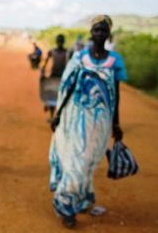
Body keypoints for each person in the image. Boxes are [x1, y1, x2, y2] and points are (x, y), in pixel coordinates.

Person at [48, 15, 127, 229]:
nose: (99, 34)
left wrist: (116, 124)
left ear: (108, 33)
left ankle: (82, 198)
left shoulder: (115, 61)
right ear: (91, 33)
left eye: (103, 30)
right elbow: (67, 87)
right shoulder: (80, 58)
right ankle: (66, 207)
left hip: (100, 122)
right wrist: (57, 114)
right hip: (76, 119)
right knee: (76, 162)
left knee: (89, 162)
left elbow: (115, 96)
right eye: (96, 30)